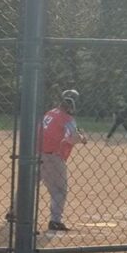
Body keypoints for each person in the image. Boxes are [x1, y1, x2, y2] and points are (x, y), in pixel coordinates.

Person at [39, 89, 87, 231]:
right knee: (59, 190)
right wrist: (83, 138)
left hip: (35, 153)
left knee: (27, 186)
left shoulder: (50, 112)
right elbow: (73, 138)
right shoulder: (67, 119)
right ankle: (55, 221)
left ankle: (15, 212)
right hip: (52, 156)